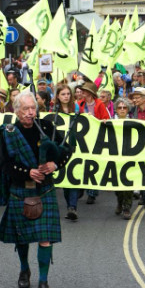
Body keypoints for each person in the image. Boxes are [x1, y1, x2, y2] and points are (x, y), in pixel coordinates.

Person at [0, 92, 73, 288]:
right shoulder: (9, 132)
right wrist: (27, 172)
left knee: (45, 238)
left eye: (33, 108)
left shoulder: (45, 127)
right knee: (22, 237)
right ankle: (24, 269)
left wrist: (56, 164)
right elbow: (4, 164)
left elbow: (66, 149)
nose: (30, 113)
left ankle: (43, 282)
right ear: (16, 110)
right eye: (26, 109)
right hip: (21, 189)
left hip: (44, 189)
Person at [77, 81, 110, 204]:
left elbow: (106, 119)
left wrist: (94, 119)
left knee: (93, 164)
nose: (82, 93)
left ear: (90, 93)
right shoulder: (79, 104)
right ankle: (80, 187)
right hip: (84, 138)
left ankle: (92, 193)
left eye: (84, 91)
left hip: (96, 138)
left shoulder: (99, 104)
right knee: (82, 163)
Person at [54, 84, 79, 221]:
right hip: (60, 147)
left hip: (74, 146)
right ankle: (70, 205)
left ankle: (72, 207)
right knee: (65, 178)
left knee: (73, 177)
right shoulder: (53, 110)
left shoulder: (76, 109)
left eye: (68, 94)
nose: (66, 96)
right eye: (63, 94)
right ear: (58, 96)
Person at [113, 98, 134, 220]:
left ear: (128, 110)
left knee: (128, 183)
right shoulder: (111, 122)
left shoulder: (133, 122)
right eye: (119, 107)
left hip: (129, 156)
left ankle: (127, 207)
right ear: (116, 109)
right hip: (116, 157)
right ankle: (120, 202)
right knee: (118, 184)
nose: (122, 110)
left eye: (124, 108)